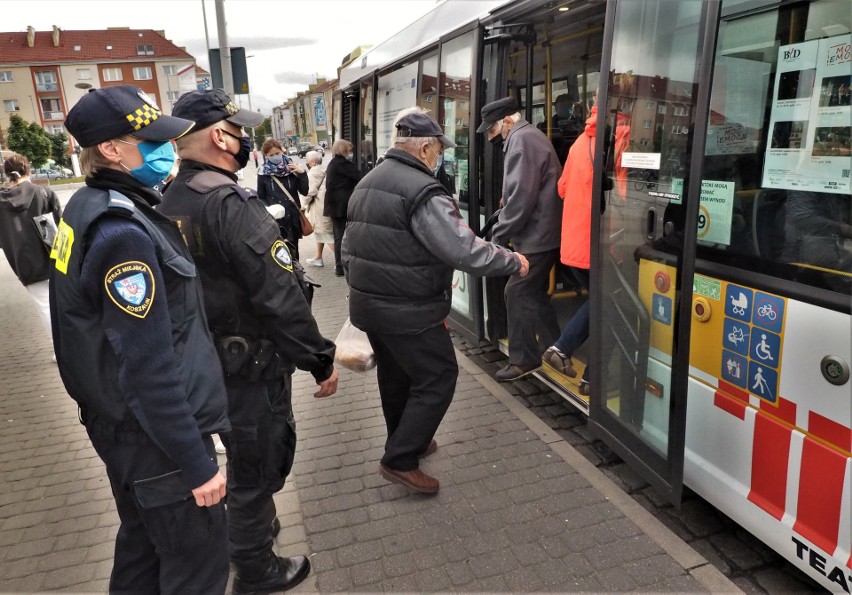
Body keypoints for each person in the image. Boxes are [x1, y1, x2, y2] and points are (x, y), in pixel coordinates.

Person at [159, 88, 339, 594]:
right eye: (240, 133)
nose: (245, 142)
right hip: (249, 367)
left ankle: (250, 532)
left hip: (206, 360)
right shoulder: (231, 203)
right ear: (220, 136)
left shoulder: (172, 197)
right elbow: (279, 295)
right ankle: (256, 569)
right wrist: (320, 360)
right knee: (256, 469)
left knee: (241, 461)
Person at [50, 85, 229, 593]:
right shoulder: (122, 231)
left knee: (142, 554)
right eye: (149, 140)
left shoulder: (87, 206)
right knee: (195, 568)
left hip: (121, 431)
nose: (166, 150)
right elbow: (148, 367)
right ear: (111, 149)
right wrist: (196, 465)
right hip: (156, 442)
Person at [342, 111, 529, 494]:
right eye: (439, 150)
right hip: (410, 309)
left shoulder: (367, 182)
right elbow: (462, 249)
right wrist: (512, 261)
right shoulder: (423, 191)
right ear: (425, 147)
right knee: (438, 376)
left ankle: (406, 439)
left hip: (371, 307)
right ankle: (400, 458)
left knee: (395, 377)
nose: (439, 157)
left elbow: (348, 249)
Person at [478, 96, 563, 382]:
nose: (490, 135)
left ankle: (524, 360)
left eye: (492, 128)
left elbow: (520, 198)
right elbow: (520, 191)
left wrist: (498, 237)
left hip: (539, 235)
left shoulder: (521, 140)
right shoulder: (526, 136)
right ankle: (557, 346)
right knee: (533, 293)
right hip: (543, 231)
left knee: (516, 291)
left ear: (507, 120)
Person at [541, 95, 603, 396]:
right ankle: (563, 349)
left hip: (573, 247)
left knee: (604, 306)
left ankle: (590, 378)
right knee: (608, 304)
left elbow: (562, 188)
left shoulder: (580, 142)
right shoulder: (620, 139)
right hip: (599, 246)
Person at [0, 153, 62, 355]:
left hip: (23, 262)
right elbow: (63, 226)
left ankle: (60, 350)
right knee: (64, 303)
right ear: (29, 169)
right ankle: (75, 344)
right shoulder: (43, 192)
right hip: (55, 257)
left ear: (6, 173)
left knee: (45, 306)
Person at [256, 138, 308, 261]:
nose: (275, 157)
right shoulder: (263, 173)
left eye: (277, 153)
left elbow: (304, 191)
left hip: (293, 217)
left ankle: (298, 277)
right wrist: (269, 211)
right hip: (276, 220)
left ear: (282, 152)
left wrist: (302, 174)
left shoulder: (292, 168)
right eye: (271, 155)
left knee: (294, 250)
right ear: (266, 156)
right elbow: (261, 196)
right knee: (280, 253)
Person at [324, 139, 361, 276]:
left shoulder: (333, 163)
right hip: (343, 204)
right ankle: (342, 266)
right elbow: (359, 176)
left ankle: (339, 266)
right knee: (342, 236)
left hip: (334, 205)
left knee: (338, 235)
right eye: (349, 150)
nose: (350, 153)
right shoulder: (343, 164)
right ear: (344, 150)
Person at [302, 150, 333, 267]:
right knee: (320, 232)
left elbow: (310, 191)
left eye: (308, 161)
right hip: (325, 205)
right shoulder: (324, 170)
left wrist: (302, 206)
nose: (307, 163)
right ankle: (318, 257)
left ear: (313, 162)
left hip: (319, 208)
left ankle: (344, 261)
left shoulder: (313, 173)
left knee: (327, 235)